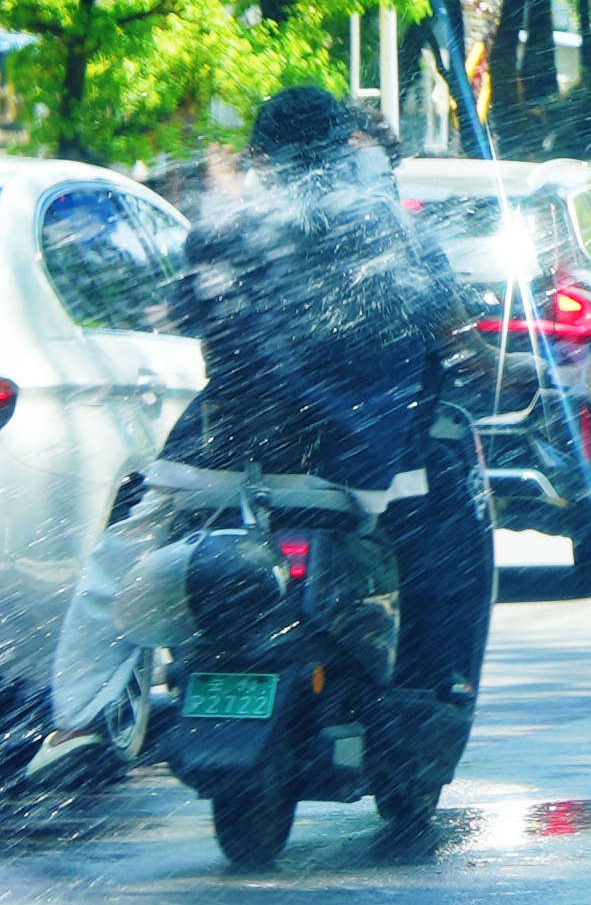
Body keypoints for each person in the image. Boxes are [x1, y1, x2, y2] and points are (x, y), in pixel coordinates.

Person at [27, 87, 487, 794]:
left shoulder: (223, 231)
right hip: (359, 471)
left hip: (227, 472)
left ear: (261, 158)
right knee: (439, 559)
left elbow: (186, 311)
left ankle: (82, 721)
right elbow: (449, 329)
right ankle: (421, 705)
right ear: (344, 151)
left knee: (118, 561)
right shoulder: (394, 232)